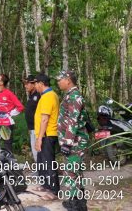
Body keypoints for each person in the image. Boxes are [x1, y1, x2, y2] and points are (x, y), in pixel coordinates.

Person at [56, 70, 89, 211]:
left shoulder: (74, 97)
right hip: (75, 141)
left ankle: (75, 205)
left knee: (71, 172)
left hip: (75, 142)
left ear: (68, 80)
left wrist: (67, 143)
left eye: (60, 79)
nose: (58, 82)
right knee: (76, 172)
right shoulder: (70, 96)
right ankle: (80, 204)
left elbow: (72, 122)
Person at [33, 73, 60, 200]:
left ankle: (54, 191)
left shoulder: (48, 96)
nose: (35, 86)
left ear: (41, 84)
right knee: (42, 161)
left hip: (47, 135)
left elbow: (45, 119)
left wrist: (39, 138)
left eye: (35, 83)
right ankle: (46, 185)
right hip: (44, 135)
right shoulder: (47, 95)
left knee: (48, 162)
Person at [23, 74, 40, 162]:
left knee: (38, 150)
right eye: (25, 84)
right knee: (34, 150)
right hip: (31, 128)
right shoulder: (31, 95)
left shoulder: (39, 95)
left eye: (27, 83)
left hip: (37, 128)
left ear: (34, 84)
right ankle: (39, 170)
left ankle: (42, 171)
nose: (26, 86)